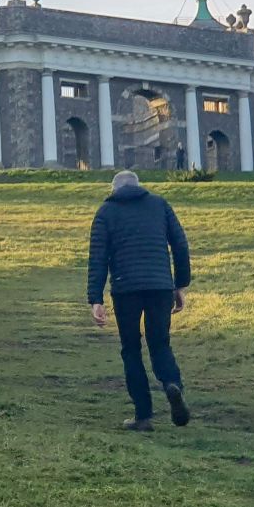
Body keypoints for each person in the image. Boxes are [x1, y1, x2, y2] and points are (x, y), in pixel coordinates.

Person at [87, 169, 192, 431]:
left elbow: (98, 257)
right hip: (159, 286)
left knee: (131, 349)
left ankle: (143, 415)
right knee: (160, 344)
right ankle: (171, 383)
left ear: (114, 190)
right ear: (139, 186)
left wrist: (95, 299)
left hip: (125, 289)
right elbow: (180, 244)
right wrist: (180, 284)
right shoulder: (159, 205)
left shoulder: (105, 212)